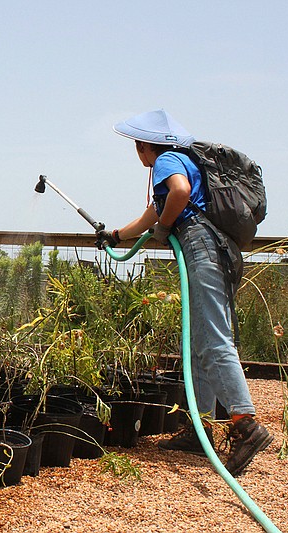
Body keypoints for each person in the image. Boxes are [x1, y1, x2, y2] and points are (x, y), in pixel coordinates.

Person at [101, 109, 272, 476]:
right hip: (216, 248)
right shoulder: (183, 159)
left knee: (212, 339)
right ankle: (202, 431)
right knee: (197, 343)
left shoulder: (166, 160)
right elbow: (154, 212)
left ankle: (246, 425)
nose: (139, 154)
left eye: (138, 147)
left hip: (201, 247)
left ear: (144, 146)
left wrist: (165, 228)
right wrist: (115, 237)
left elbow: (177, 194)